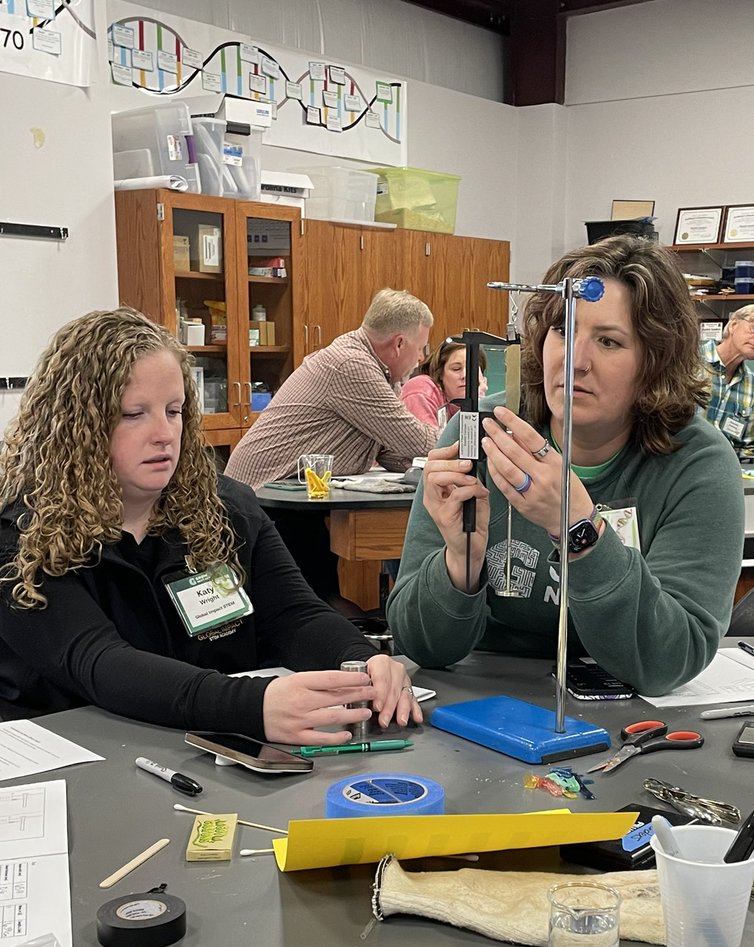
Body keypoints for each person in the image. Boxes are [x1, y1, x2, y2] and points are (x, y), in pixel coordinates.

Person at [0, 308, 422, 741]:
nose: (164, 433)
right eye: (133, 414)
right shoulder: (22, 535)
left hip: (204, 746)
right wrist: (252, 706)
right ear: (77, 425)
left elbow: (295, 615)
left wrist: (362, 661)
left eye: (174, 410)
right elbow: (99, 661)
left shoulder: (227, 508)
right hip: (81, 755)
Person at [386, 236, 745, 695]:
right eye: (562, 330)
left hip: (624, 705)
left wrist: (579, 530)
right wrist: (460, 562)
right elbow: (420, 645)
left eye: (609, 341)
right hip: (482, 697)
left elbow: (669, 659)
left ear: (656, 359)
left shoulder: (697, 463)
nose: (574, 361)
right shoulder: (479, 434)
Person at [224, 289, 438, 488]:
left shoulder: (376, 370)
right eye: (420, 348)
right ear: (399, 344)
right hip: (258, 497)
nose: (421, 357)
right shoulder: (350, 364)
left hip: (284, 492)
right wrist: (456, 445)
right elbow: (417, 441)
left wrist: (426, 465)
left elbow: (389, 451)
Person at [701, 303, 754, 454]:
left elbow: (746, 448)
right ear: (733, 325)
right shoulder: (690, 363)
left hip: (724, 465)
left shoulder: (751, 384)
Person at [400, 339, 488, 431]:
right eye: (456, 369)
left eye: (471, 368)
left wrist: (477, 401)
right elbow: (429, 440)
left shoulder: (460, 401)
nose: (465, 375)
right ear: (440, 373)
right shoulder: (420, 390)